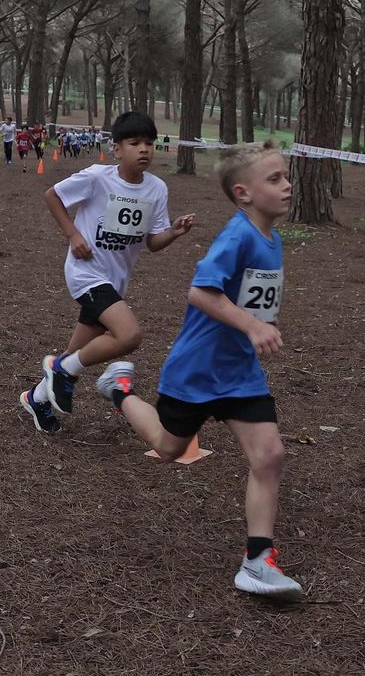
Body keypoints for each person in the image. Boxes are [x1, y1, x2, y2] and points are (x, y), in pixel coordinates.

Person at [94, 141, 303, 601]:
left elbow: (248, 299)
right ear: (244, 193)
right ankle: (119, 389)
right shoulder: (238, 236)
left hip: (240, 373)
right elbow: (201, 293)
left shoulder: (272, 238)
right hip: (197, 371)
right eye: (275, 179)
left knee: (269, 456)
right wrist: (252, 324)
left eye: (286, 176)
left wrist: (257, 324)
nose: (287, 186)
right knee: (169, 447)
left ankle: (258, 561)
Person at [19, 110, 196, 436]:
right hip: (86, 273)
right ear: (117, 149)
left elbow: (153, 243)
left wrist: (174, 231)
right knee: (129, 336)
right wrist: (73, 236)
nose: (144, 149)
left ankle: (37, 398)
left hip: (115, 281)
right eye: (134, 143)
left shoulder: (157, 189)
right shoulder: (98, 177)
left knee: (78, 352)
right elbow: (52, 195)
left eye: (150, 143)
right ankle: (59, 370)